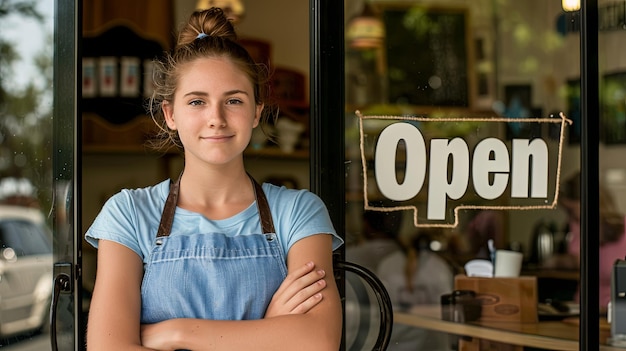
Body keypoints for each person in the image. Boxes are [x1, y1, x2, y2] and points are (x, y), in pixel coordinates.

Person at [85, 8, 343, 350]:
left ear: (256, 112)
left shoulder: (299, 212)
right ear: (170, 113)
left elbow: (318, 340)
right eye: (197, 102)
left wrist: (176, 332)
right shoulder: (128, 213)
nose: (216, 119)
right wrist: (271, 331)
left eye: (233, 100)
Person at [548, 171, 626, 310]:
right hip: (583, 310)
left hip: (613, 312)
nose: (569, 218)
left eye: (571, 211)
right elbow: (579, 258)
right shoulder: (578, 226)